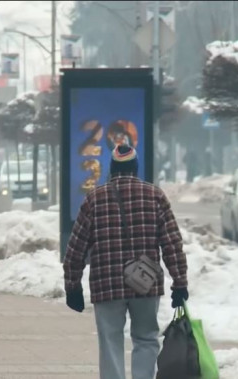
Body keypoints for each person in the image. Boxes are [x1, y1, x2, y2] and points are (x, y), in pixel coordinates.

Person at [63, 145, 188, 379]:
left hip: (106, 285)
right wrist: (179, 282)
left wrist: (73, 286)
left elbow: (76, 247)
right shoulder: (155, 196)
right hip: (146, 283)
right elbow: (172, 243)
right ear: (135, 167)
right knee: (146, 338)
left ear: (111, 168)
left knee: (110, 341)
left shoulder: (94, 199)